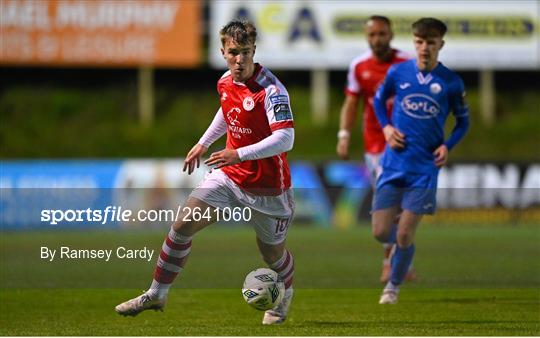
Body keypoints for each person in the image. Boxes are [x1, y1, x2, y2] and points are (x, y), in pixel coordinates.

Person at [115, 20, 296, 325]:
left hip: (268, 189)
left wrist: (236, 152)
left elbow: (286, 138)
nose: (240, 60)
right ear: (224, 51)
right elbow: (228, 111)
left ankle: (283, 298)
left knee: (272, 255)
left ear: (254, 51)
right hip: (229, 176)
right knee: (183, 223)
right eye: (234, 53)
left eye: (246, 53)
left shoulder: (272, 91)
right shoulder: (225, 82)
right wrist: (203, 143)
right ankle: (157, 293)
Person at [372, 17, 469, 304]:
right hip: (393, 163)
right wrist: (387, 128)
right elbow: (378, 101)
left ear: (441, 44)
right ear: (414, 42)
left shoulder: (451, 82)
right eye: (419, 42)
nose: (424, 48)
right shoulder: (398, 73)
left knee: (403, 235)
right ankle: (400, 251)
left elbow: (463, 122)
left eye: (430, 42)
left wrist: (448, 145)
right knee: (380, 232)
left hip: (424, 168)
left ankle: (393, 285)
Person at [336, 15, 415, 283]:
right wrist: (344, 135)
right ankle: (391, 261)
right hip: (376, 145)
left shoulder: (407, 62)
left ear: (390, 35)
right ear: (366, 37)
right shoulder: (359, 66)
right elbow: (351, 103)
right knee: (389, 203)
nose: (377, 39)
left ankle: (397, 259)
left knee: (403, 205)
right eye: (372, 35)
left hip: (408, 144)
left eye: (382, 34)